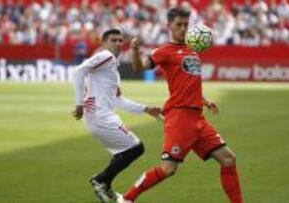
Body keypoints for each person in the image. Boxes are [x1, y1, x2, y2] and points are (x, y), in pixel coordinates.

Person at [117, 7, 244, 203]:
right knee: (168, 169)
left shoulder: (193, 49)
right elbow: (138, 67)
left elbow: (188, 82)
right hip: (180, 117)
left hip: (198, 117)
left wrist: (205, 101)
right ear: (169, 26)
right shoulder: (164, 51)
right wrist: (134, 50)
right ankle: (126, 199)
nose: (183, 28)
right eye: (179, 25)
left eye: (186, 24)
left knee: (228, 159)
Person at [72, 28, 162, 203]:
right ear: (104, 42)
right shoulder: (106, 55)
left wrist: (146, 109)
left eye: (121, 41)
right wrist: (79, 103)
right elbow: (78, 72)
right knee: (136, 148)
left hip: (102, 116)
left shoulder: (111, 65)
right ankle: (100, 180)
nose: (119, 44)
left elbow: (117, 100)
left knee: (123, 153)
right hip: (100, 116)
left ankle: (106, 185)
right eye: (114, 40)